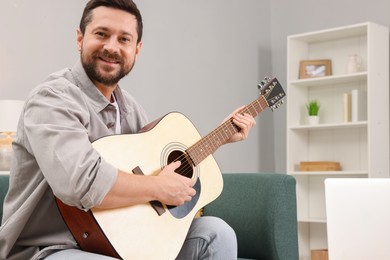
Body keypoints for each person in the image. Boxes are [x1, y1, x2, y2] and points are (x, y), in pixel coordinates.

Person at [0, 0, 256, 259]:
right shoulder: (52, 99)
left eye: (124, 39)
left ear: (137, 49)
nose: (111, 47)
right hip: (50, 248)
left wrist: (222, 137)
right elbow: (82, 184)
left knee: (217, 232)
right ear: (80, 39)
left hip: (119, 242)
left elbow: (156, 169)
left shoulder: (131, 108)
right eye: (101, 34)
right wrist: (158, 186)